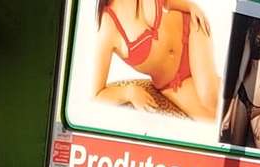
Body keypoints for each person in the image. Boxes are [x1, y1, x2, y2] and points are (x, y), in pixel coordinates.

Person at [92, 0, 220, 120]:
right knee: (214, 120)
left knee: (210, 97)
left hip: (192, 31)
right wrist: (129, 92)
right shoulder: (108, 26)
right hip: (173, 82)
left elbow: (168, 2)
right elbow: (96, 94)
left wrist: (191, 6)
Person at [220, 18, 260, 149]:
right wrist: (229, 112)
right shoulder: (252, 29)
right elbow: (241, 74)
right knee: (234, 149)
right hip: (243, 98)